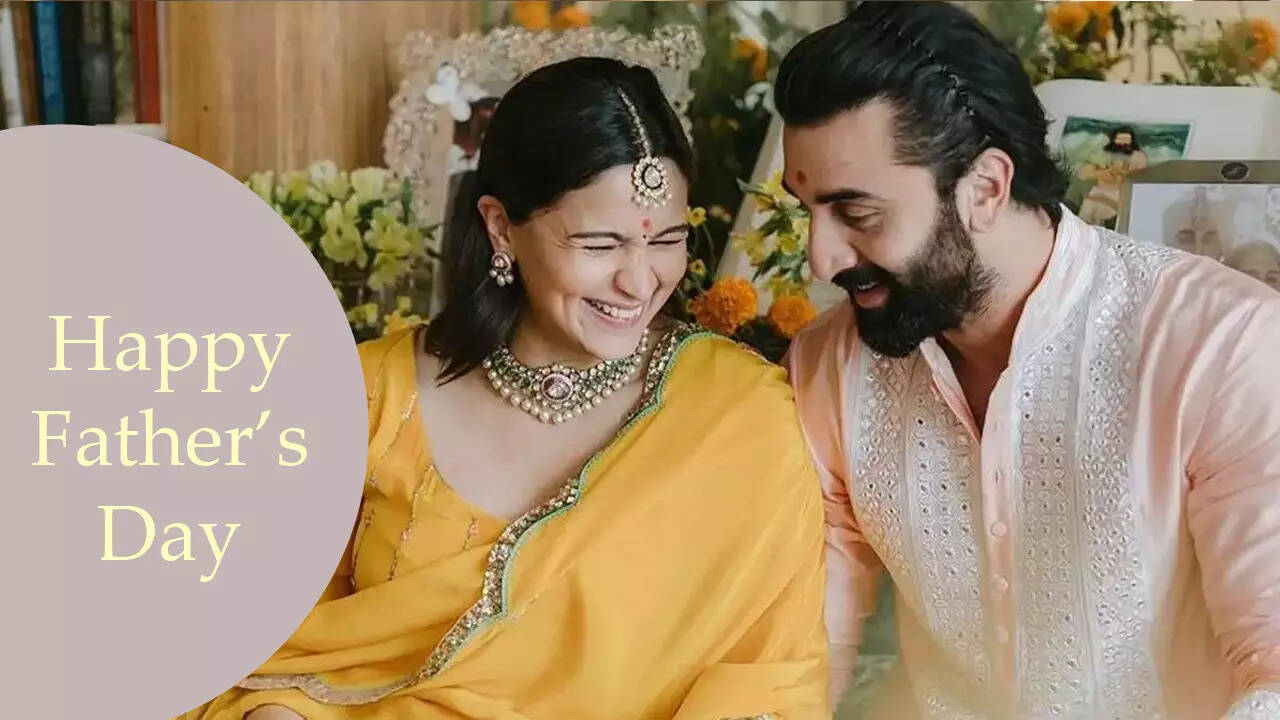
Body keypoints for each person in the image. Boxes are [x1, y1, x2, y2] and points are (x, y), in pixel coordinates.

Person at [181, 58, 827, 720]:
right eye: (599, 246)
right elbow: (257, 646)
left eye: (666, 240)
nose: (640, 281)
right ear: (501, 227)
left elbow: (773, 682)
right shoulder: (368, 398)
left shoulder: (737, 417)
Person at [775, 2, 1280, 718]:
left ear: (985, 187)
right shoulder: (829, 367)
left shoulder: (1217, 344)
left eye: (857, 214)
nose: (821, 259)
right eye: (809, 212)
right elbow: (801, 653)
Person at [1076, 124, 1148, 228]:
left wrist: (1122, 173)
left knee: (1097, 211)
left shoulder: (1138, 156)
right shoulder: (1103, 153)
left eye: (1126, 142)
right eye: (1120, 141)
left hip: (1118, 193)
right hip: (1098, 191)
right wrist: (1103, 172)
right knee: (1088, 208)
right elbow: (1082, 173)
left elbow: (1138, 177)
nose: (1123, 144)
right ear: (1113, 140)